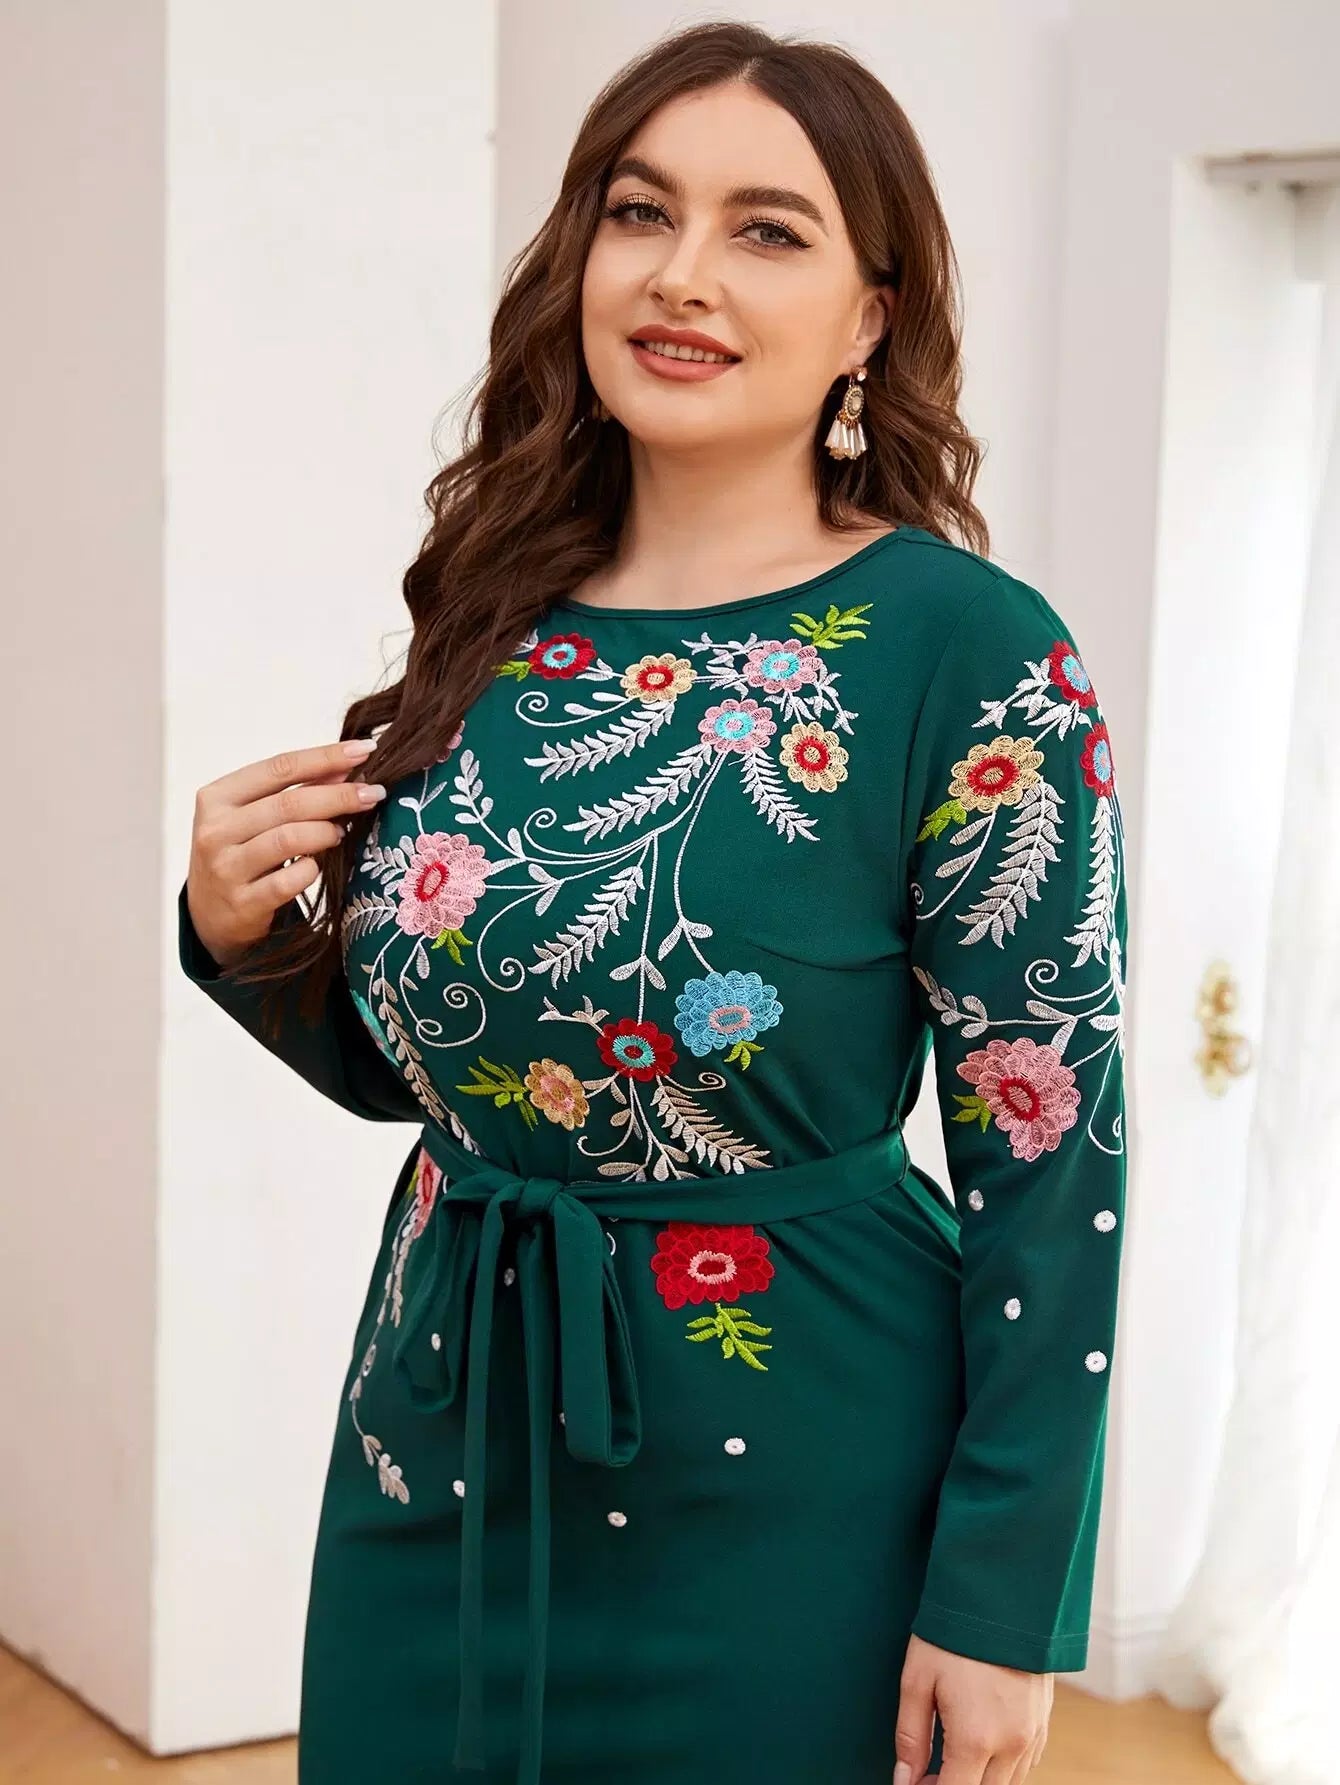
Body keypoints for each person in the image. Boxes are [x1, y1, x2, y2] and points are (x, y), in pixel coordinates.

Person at [179, 21, 1127, 1785]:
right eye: (642, 211)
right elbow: (464, 1076)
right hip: (440, 1441)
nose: (684, 272)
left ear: (869, 319)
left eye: (767, 229)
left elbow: (1053, 1159)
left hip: (803, 1496)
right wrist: (248, 946)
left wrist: (1002, 1601)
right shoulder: (496, 613)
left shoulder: (969, 651)